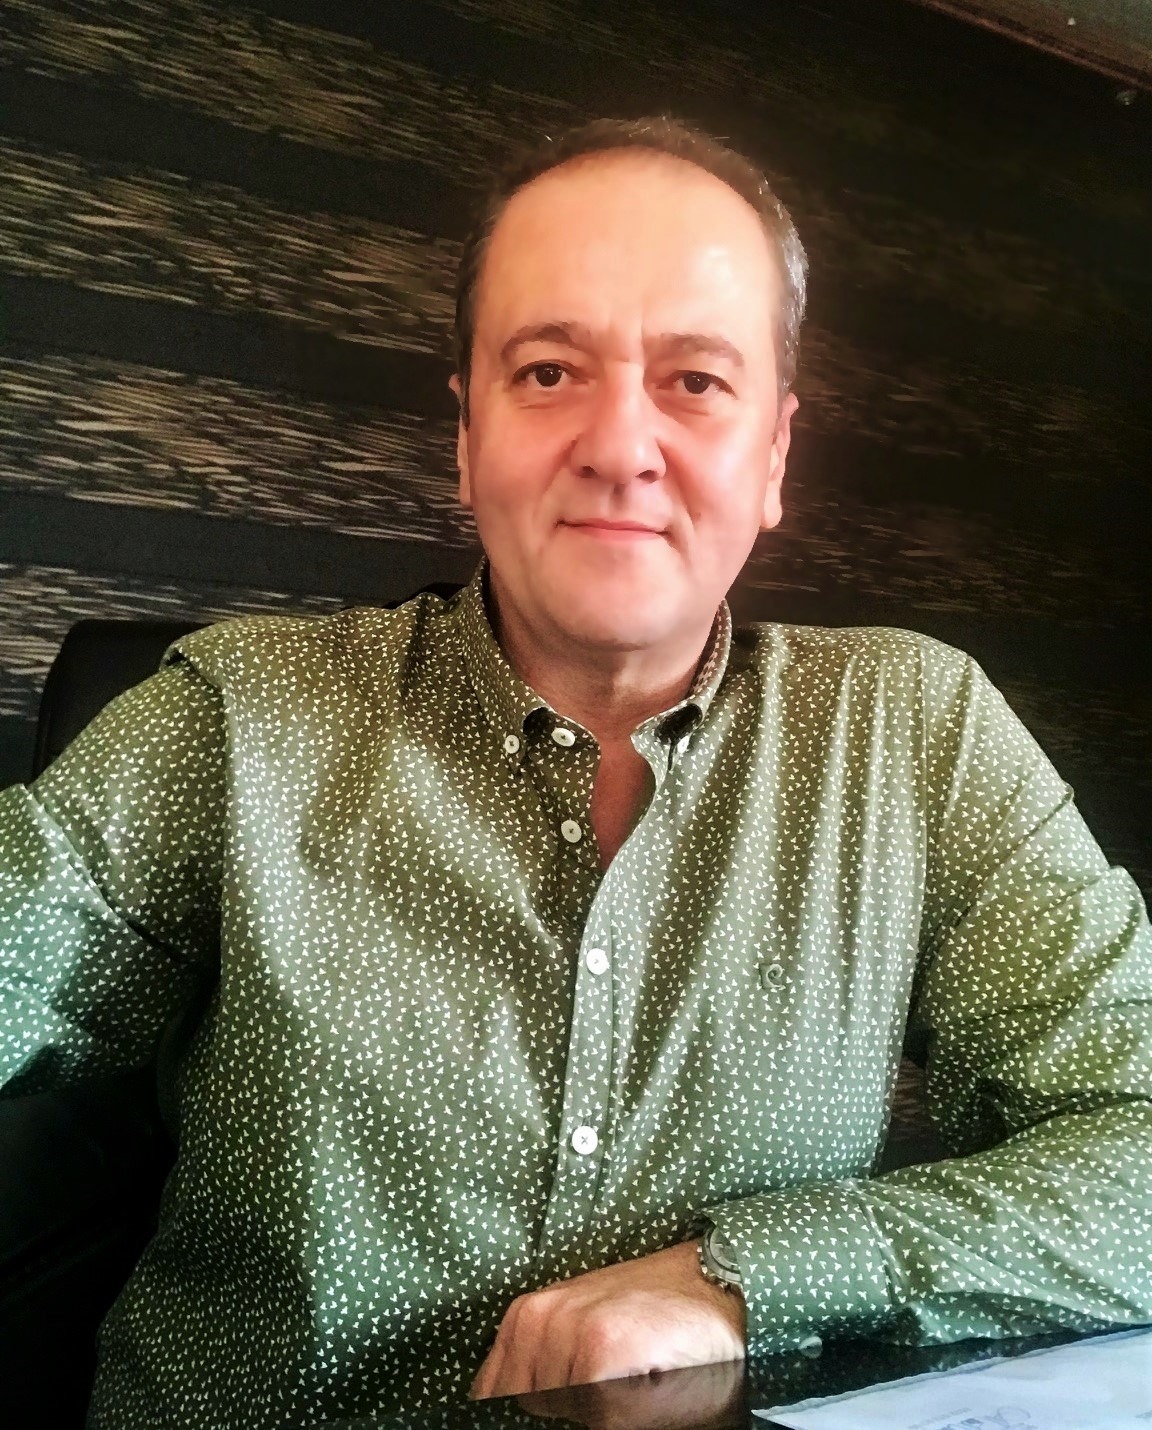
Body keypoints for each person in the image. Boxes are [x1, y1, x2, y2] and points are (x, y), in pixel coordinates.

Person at [0, 116, 1149, 1429]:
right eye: (548, 371)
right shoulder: (236, 718)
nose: (619, 444)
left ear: (774, 456)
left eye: (695, 381)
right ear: (467, 435)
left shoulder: (918, 732)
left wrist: (745, 1280)